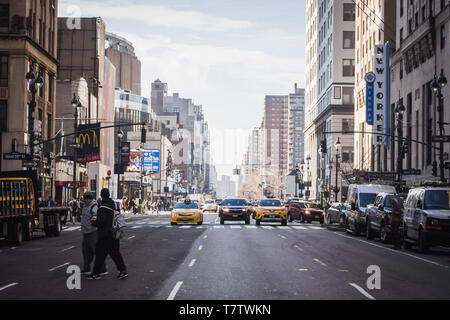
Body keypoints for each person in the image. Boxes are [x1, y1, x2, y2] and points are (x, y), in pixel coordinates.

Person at [89, 188, 128, 280]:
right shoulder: (113, 204)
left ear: (101, 195)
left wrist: (94, 222)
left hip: (105, 235)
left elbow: (101, 221)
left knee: (100, 254)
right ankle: (122, 270)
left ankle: (96, 273)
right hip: (114, 233)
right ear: (109, 195)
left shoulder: (103, 207)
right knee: (115, 254)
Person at [80, 192, 107, 275]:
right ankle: (86, 268)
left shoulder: (94, 206)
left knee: (96, 251)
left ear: (90, 199)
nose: (85, 201)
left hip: (93, 232)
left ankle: (103, 269)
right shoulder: (85, 206)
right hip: (85, 232)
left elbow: (95, 216)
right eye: (85, 199)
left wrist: (93, 220)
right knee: (86, 251)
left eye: (87, 199)